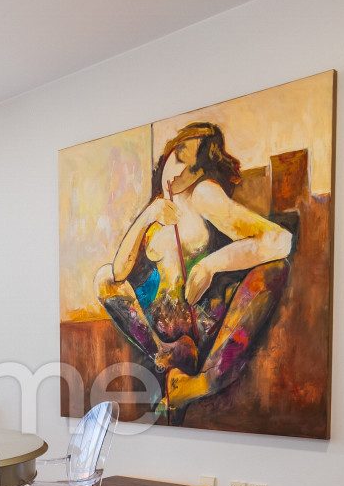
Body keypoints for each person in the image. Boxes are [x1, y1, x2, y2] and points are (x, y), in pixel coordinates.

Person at [94, 122, 293, 419]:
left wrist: (210, 265)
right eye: (178, 156)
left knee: (275, 270)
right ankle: (162, 353)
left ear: (203, 172)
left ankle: (203, 381)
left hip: (201, 322)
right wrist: (148, 215)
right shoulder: (158, 206)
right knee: (103, 278)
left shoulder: (203, 195)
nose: (178, 172)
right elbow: (118, 273)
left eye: (192, 166)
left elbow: (281, 240)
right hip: (161, 332)